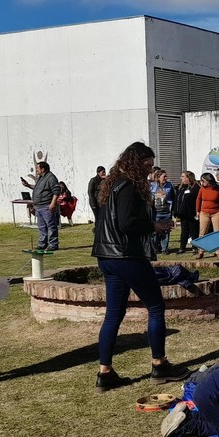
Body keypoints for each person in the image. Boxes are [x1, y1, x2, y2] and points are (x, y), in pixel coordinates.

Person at [91, 142, 190, 393]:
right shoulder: (128, 186)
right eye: (146, 164)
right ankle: (159, 365)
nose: (149, 169)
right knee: (156, 307)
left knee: (114, 313)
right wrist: (154, 226)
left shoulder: (110, 184)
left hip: (107, 255)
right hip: (126, 256)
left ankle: (105, 372)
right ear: (135, 163)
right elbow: (126, 224)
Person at [21, 161, 61, 250]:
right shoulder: (41, 178)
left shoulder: (51, 177)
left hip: (46, 206)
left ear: (43, 169)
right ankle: (43, 244)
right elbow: (37, 188)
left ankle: (53, 244)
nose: (36, 170)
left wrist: (53, 203)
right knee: (42, 226)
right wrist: (27, 185)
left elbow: (56, 190)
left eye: (37, 169)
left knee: (51, 226)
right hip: (39, 206)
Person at [194, 172, 219, 259]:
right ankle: (201, 251)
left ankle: (218, 252)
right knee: (202, 232)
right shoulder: (202, 189)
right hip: (204, 213)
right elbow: (198, 199)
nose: (201, 183)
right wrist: (197, 211)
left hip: (216, 212)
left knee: (217, 232)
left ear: (209, 180)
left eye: (203, 180)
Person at [173, 170, 200, 253]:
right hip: (183, 214)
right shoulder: (181, 188)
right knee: (184, 231)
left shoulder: (196, 187)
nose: (181, 178)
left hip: (192, 213)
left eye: (183, 176)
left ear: (189, 178)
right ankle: (182, 248)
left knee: (194, 231)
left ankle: (195, 247)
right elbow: (177, 200)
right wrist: (176, 211)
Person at [152, 170, 175, 255]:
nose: (166, 178)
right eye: (164, 176)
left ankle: (164, 249)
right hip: (156, 212)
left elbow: (173, 197)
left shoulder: (170, 185)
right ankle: (155, 248)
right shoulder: (152, 186)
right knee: (155, 231)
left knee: (166, 230)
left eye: (166, 176)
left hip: (166, 211)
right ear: (158, 177)